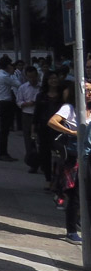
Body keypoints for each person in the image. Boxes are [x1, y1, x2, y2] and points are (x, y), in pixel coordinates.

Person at [47, 80, 90, 244]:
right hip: (74, 157)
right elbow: (52, 122)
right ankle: (71, 230)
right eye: (86, 90)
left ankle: (79, 222)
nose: (89, 93)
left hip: (88, 156)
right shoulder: (69, 108)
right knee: (75, 195)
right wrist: (71, 132)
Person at [34, 71, 64, 188]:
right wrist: (33, 130)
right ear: (46, 81)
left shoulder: (62, 95)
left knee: (59, 155)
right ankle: (48, 178)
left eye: (55, 78)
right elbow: (36, 113)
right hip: (44, 129)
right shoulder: (41, 95)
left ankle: (57, 179)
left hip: (59, 129)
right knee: (45, 154)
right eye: (51, 78)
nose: (53, 81)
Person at [15, 65, 41, 173]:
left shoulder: (41, 87)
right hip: (27, 114)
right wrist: (27, 104)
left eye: (34, 77)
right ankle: (32, 164)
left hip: (39, 114)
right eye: (30, 77)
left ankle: (43, 163)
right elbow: (18, 102)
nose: (32, 79)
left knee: (40, 139)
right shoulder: (23, 87)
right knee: (29, 140)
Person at [0, 55, 18, 161]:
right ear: (8, 66)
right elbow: (19, 84)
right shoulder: (5, 77)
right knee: (4, 130)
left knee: (4, 129)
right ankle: (2, 153)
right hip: (6, 103)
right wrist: (13, 74)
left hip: (0, 102)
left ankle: (2, 152)